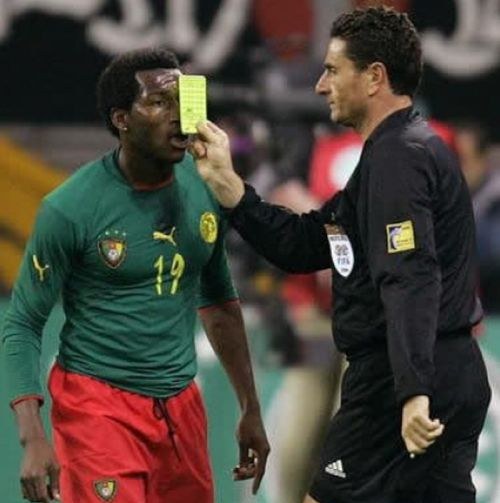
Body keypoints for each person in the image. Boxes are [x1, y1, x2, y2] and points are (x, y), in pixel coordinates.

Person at [191, 6, 491, 503]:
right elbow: (309, 243)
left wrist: (412, 392)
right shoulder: (399, 152)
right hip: (445, 371)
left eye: (332, 70)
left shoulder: (399, 158)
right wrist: (230, 188)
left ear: (374, 78)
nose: (319, 86)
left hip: (398, 381)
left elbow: (409, 276)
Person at [1, 47, 269, 503]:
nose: (176, 116)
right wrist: (33, 438)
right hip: (98, 409)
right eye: (158, 103)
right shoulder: (70, 208)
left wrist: (250, 407)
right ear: (122, 119)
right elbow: (23, 322)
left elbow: (218, 299)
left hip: (180, 407)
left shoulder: (205, 184)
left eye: (180, 101)